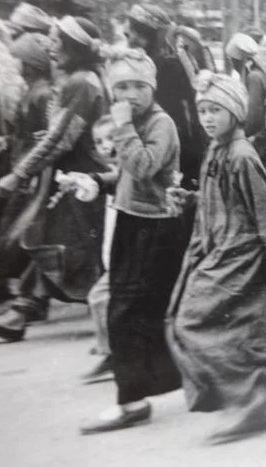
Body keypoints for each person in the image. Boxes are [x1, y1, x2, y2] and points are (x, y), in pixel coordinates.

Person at [166, 71, 266, 444]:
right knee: (227, 327)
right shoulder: (217, 150)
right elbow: (223, 203)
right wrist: (191, 200)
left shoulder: (242, 155)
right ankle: (257, 402)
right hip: (217, 251)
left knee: (192, 323)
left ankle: (250, 400)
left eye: (216, 110)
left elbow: (265, 207)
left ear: (235, 112)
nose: (208, 118)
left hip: (240, 255)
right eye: (203, 110)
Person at [79, 48, 184, 434]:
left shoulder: (160, 124)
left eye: (138, 86)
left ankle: (132, 402)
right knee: (132, 312)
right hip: (130, 221)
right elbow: (124, 172)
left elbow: (142, 167)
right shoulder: (134, 122)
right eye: (121, 86)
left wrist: (122, 127)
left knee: (127, 313)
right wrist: (96, 181)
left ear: (151, 88)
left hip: (154, 228)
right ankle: (146, 390)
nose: (130, 94)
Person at [0, 16, 108, 343]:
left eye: (56, 41)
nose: (50, 47)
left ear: (74, 46)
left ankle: (25, 309)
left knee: (69, 244)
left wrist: (18, 173)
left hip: (83, 177)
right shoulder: (81, 80)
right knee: (57, 241)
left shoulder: (82, 83)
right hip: (70, 176)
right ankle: (23, 310)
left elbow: (62, 139)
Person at [0, 32, 51, 309]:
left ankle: (4, 288)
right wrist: (8, 141)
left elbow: (47, 135)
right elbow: (26, 133)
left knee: (18, 230)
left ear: (31, 65)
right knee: (9, 228)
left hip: (30, 174)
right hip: (22, 168)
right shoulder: (31, 91)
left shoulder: (44, 94)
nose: (14, 66)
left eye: (18, 61)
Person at [125, 3, 206, 192]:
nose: (129, 42)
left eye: (131, 35)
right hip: (189, 139)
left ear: (145, 34)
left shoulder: (162, 64)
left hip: (175, 142)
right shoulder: (170, 57)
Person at [79, 115, 119, 384]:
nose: (105, 146)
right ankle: (112, 354)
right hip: (116, 257)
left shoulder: (126, 170)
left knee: (101, 298)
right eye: (99, 142)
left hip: (128, 256)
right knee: (100, 299)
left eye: (111, 138)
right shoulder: (115, 172)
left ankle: (113, 355)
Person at [225, 33, 266, 169]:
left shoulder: (254, 78)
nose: (231, 62)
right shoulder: (255, 74)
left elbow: (252, 118)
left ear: (238, 60)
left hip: (259, 142)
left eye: (232, 59)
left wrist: (239, 137)